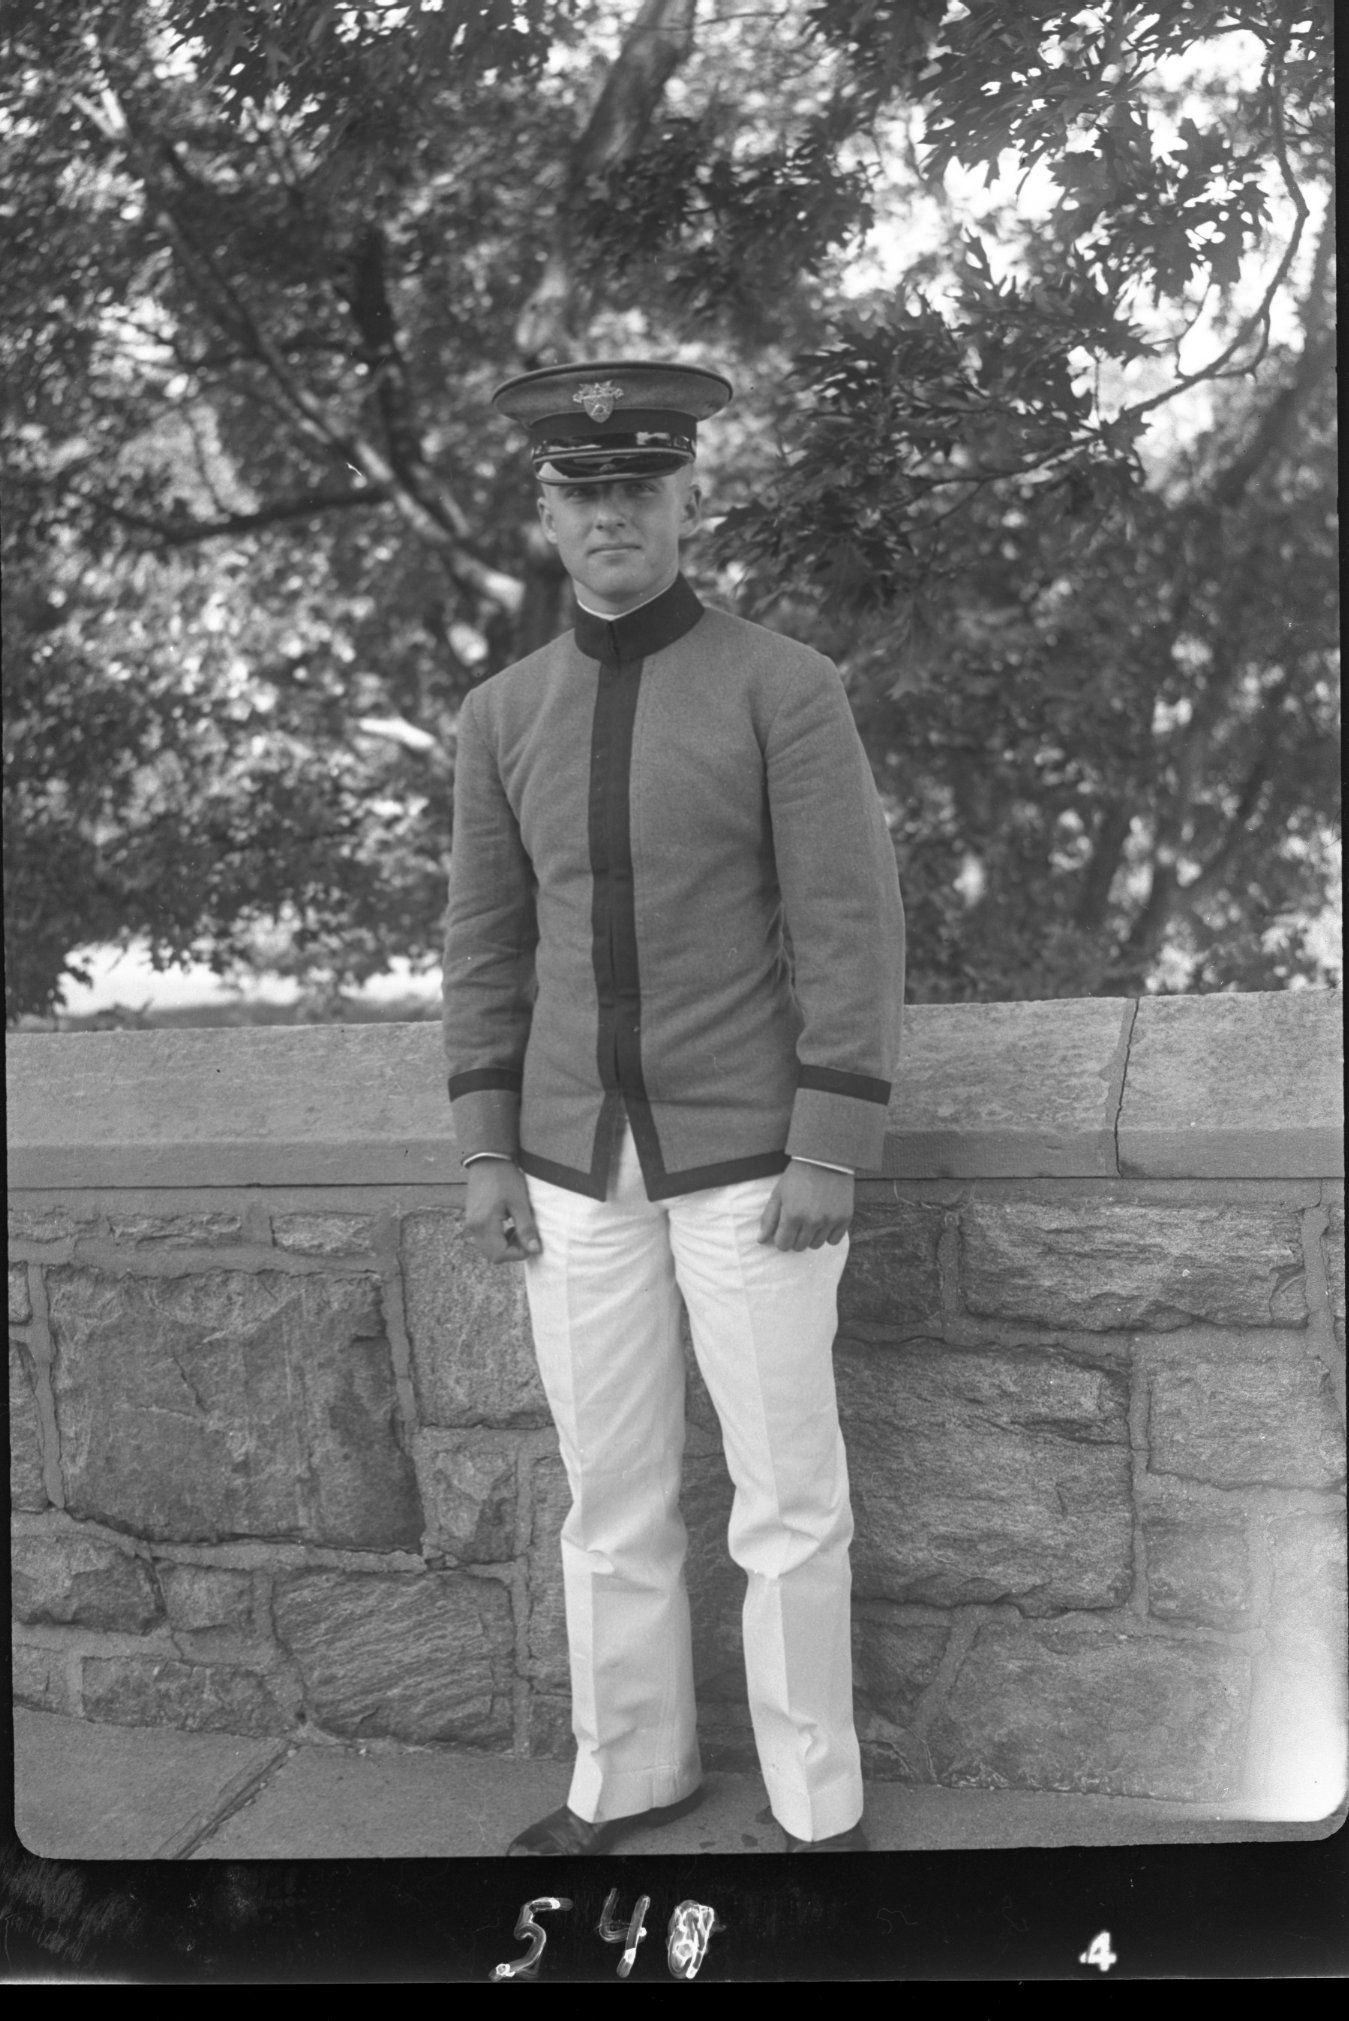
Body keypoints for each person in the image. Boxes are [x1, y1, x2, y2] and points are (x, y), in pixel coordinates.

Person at [441, 359, 905, 1854]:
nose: (612, 516)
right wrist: (486, 1147)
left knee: (787, 1498)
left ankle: (815, 1804)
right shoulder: (501, 714)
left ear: (688, 499)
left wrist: (831, 1137)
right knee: (610, 1497)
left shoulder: (783, 684)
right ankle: (629, 1773)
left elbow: (848, 923)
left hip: (753, 1158)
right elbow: (485, 945)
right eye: (583, 493)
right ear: (547, 515)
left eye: (639, 487)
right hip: (570, 1164)